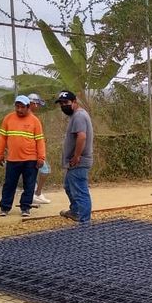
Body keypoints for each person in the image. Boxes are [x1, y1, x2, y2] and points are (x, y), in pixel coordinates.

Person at [0, 95, 46, 218]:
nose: (19, 109)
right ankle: (5, 207)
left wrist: (41, 157)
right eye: (17, 107)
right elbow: (2, 138)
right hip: (13, 159)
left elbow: (40, 140)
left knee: (29, 185)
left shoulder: (35, 121)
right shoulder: (8, 119)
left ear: (28, 107)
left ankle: (25, 207)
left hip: (31, 160)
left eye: (22, 107)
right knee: (9, 184)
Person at [56, 90, 93, 222]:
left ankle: (84, 221)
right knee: (68, 186)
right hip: (74, 162)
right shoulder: (76, 115)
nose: (63, 106)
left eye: (66, 102)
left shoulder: (79, 116)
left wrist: (77, 156)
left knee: (80, 192)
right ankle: (75, 211)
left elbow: (81, 136)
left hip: (78, 161)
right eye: (61, 103)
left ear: (74, 102)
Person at [27, 93, 51, 204]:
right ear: (32, 104)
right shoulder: (30, 118)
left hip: (33, 150)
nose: (38, 107)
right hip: (33, 151)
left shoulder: (32, 118)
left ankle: (36, 193)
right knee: (45, 171)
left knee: (34, 173)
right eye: (37, 104)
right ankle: (36, 194)